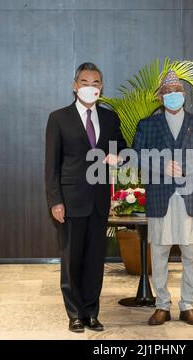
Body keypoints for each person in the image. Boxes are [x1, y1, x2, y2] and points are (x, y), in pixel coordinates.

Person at [133, 70, 193, 326]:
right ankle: (162, 305)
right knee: (158, 251)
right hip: (161, 197)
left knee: (189, 254)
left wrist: (189, 165)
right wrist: (161, 164)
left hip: (190, 198)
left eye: (177, 91)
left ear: (184, 95)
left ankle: (187, 305)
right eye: (168, 92)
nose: (173, 95)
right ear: (160, 97)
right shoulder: (147, 125)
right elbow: (137, 155)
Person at [45, 62, 126, 332]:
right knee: (71, 260)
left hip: (99, 201)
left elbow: (123, 150)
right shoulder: (58, 118)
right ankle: (75, 314)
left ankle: (91, 312)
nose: (90, 87)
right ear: (74, 85)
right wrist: (55, 200)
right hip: (69, 201)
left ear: (101, 87)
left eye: (96, 83)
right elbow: (51, 164)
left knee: (94, 260)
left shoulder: (110, 118)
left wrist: (119, 156)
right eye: (85, 82)